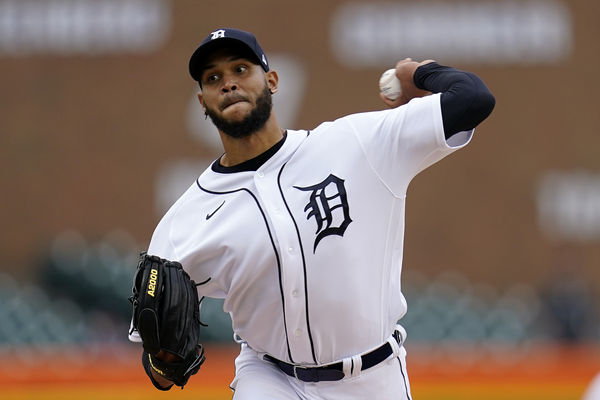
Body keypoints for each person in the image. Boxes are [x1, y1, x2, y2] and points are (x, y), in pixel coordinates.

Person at [130, 27, 495, 399]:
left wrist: (419, 73)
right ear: (202, 102)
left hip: (374, 378)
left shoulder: (356, 143)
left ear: (271, 81)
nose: (228, 83)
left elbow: (473, 98)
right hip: (270, 380)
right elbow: (160, 371)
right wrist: (162, 360)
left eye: (241, 70)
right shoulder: (185, 220)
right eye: (213, 78)